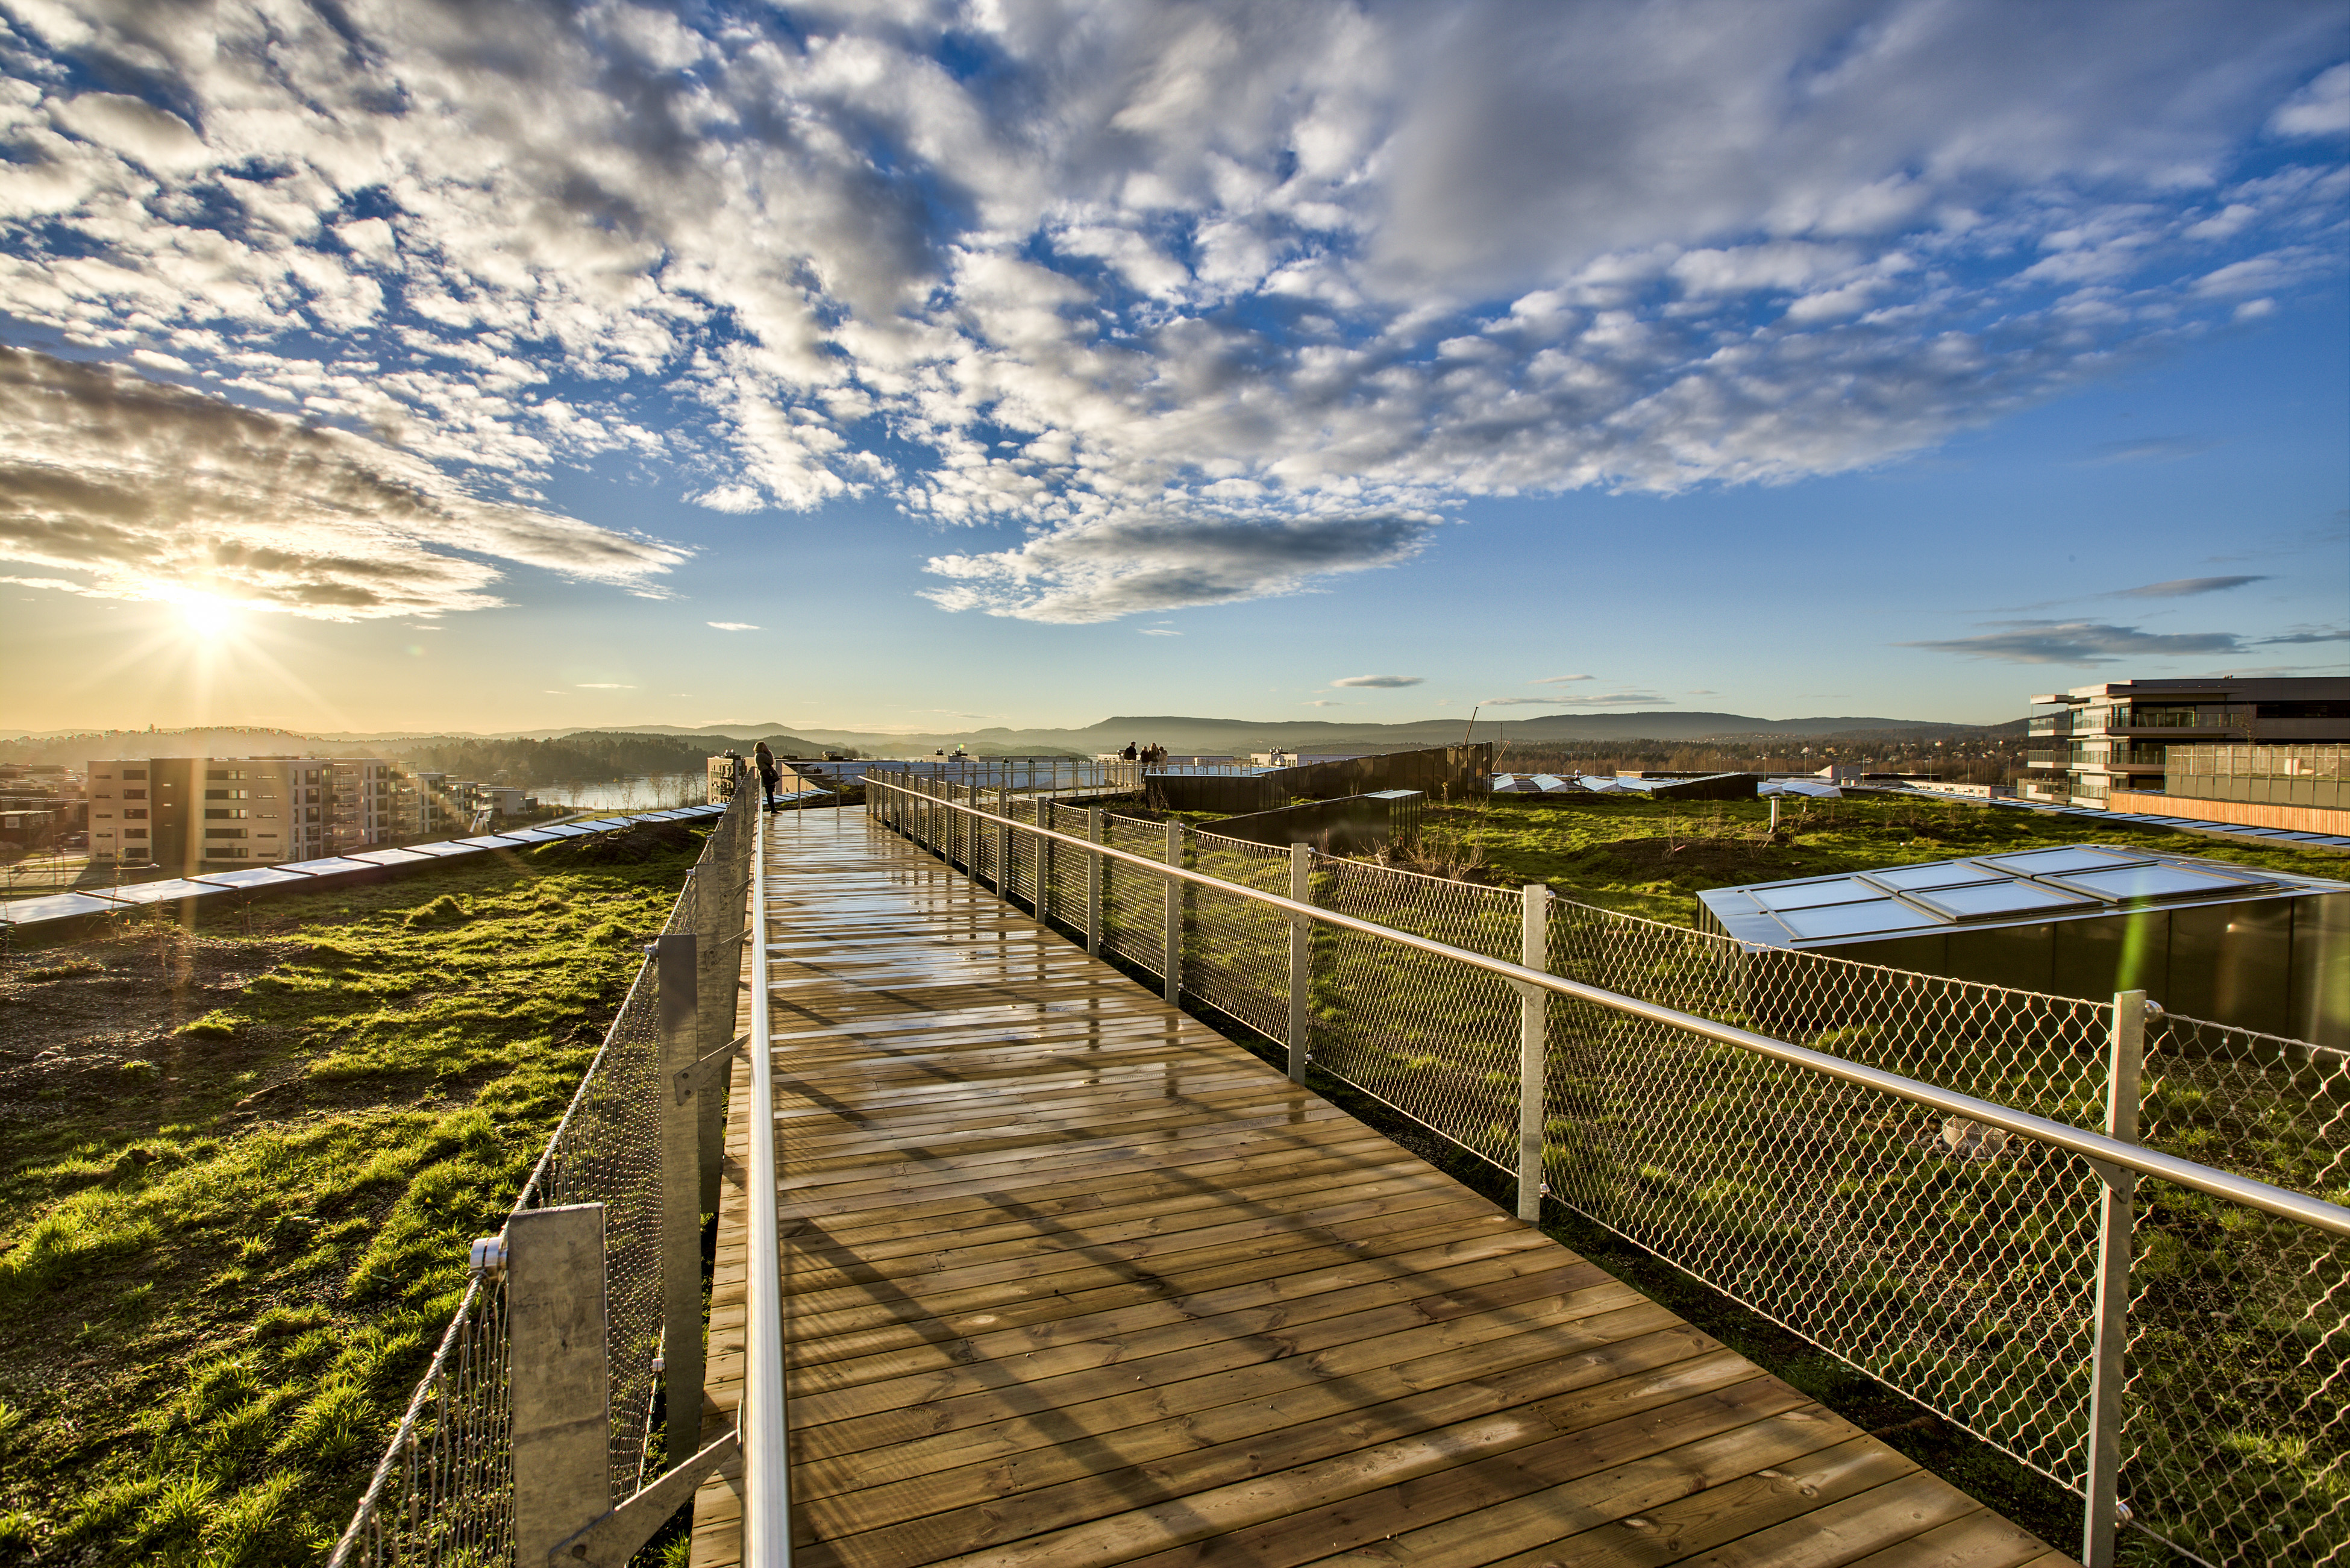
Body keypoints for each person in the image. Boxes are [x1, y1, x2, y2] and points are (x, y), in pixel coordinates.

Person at [753, 740, 780, 812]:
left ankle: (773, 809)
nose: (766, 748)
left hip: (765, 775)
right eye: (765, 747)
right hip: (768, 776)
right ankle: (773, 809)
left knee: (769, 793)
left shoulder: (758, 755)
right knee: (770, 793)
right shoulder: (761, 755)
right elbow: (771, 761)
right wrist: (769, 752)